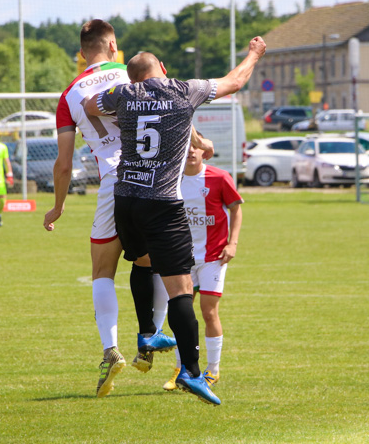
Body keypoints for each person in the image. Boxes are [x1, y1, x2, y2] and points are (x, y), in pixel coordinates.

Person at [83, 35, 266, 405]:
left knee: (142, 261)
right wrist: (254, 54)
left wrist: (119, 101)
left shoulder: (124, 95)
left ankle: (147, 333)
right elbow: (235, 82)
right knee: (182, 292)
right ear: (162, 69)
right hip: (163, 203)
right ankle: (192, 372)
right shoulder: (183, 90)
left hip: (126, 199)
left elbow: (88, 104)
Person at [43, 19, 175, 399]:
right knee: (158, 261)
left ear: (82, 53)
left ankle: (110, 350)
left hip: (113, 182)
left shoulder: (69, 95)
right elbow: (173, 111)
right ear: (113, 45)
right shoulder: (133, 72)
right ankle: (150, 336)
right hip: (154, 176)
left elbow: (64, 163)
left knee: (102, 270)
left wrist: (58, 206)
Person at [162, 133, 243, 392]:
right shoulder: (171, 178)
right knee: (181, 315)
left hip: (213, 257)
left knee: (209, 312)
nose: (191, 152)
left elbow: (236, 208)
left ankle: (213, 370)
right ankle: (181, 369)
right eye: (187, 147)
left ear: (204, 152)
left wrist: (233, 243)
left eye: (196, 147)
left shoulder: (219, 178)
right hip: (181, 256)